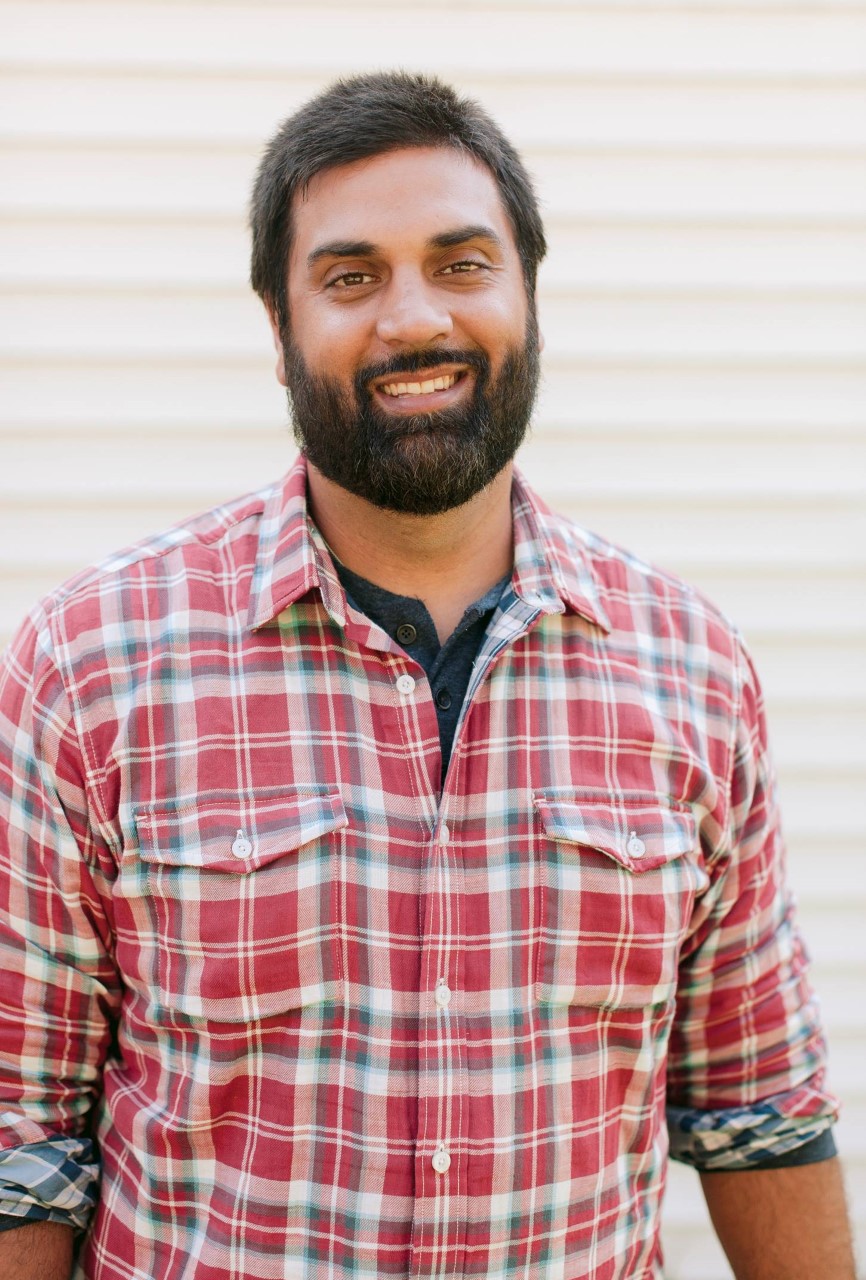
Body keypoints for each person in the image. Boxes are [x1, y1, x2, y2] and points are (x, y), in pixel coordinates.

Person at [0, 71, 855, 1280]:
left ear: (529, 296)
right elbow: (19, 1142)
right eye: (350, 276)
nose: (413, 318)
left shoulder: (690, 669)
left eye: (461, 263)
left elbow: (756, 1106)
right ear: (277, 323)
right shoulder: (90, 665)